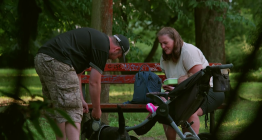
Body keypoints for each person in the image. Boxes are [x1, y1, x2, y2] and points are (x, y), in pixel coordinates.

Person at [34, 27, 130, 140]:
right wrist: (96, 109)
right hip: (58, 61)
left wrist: (81, 99)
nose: (115, 59)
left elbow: (78, 74)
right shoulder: (103, 47)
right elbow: (94, 82)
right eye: (118, 56)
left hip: (42, 58)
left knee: (58, 106)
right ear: (116, 49)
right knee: (73, 109)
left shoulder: (94, 41)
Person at [157, 27, 224, 140]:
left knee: (189, 111)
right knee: (167, 110)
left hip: (209, 90)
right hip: (185, 94)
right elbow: (173, 81)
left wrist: (184, 80)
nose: (163, 47)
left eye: (165, 43)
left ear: (175, 40)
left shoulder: (188, 51)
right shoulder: (164, 59)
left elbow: (200, 76)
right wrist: (172, 88)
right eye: (160, 44)